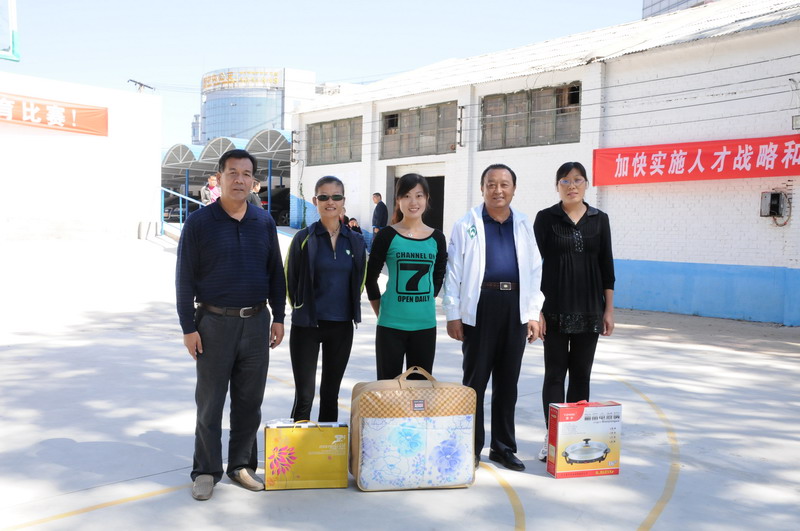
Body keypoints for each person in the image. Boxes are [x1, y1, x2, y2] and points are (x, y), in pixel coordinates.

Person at [176, 149, 286, 501]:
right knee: (210, 403)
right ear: (219, 177)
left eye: (246, 174)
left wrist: (279, 316)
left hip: (256, 323)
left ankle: (241, 466)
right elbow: (184, 279)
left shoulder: (263, 222)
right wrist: (188, 328)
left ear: (253, 181)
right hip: (213, 324)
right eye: (233, 172)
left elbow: (276, 273)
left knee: (249, 402)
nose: (240, 179)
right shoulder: (199, 223)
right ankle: (206, 470)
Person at [443, 163, 543, 472]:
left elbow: (535, 271)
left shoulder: (523, 224)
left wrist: (533, 312)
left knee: (508, 382)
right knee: (475, 382)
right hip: (480, 306)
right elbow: (453, 272)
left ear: (514, 189)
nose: (498, 190)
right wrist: (453, 313)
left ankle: (503, 447)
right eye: (491, 184)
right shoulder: (467, 224)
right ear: (482, 188)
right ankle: (471, 447)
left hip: (514, 306)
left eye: (504, 184)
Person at [533, 161, 615, 462]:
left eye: (578, 180)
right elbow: (533, 267)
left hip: (590, 310)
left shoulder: (600, 219)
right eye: (565, 181)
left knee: (581, 375)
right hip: (553, 309)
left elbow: (607, 267)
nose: (572, 186)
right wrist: (536, 310)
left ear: (586, 184)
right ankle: (553, 437)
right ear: (557, 186)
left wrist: (608, 310)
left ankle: (574, 437)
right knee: (555, 375)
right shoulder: (546, 218)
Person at [285, 176, 367, 422]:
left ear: (343, 201)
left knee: (330, 395)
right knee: (304, 396)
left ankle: (328, 447)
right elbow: (289, 278)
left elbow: (360, 279)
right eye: (324, 197)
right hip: (307, 326)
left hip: (341, 326)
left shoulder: (356, 241)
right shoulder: (303, 238)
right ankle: (299, 445)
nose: (330, 202)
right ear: (315, 201)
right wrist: (301, 308)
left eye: (336, 197)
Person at [366, 174, 447, 379]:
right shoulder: (387, 235)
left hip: (425, 326)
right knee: (388, 388)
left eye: (419, 196)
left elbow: (438, 275)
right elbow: (370, 278)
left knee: (420, 389)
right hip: (390, 326)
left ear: (427, 199)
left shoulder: (437, 237)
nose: (413, 202)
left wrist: (423, 303)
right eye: (407, 196)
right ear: (398, 200)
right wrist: (382, 312)